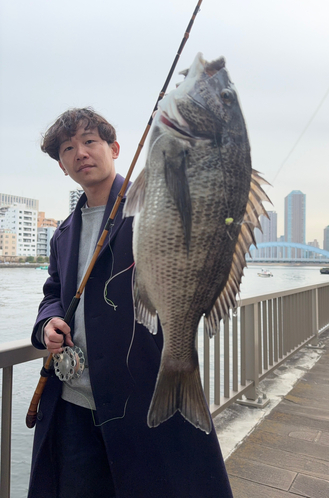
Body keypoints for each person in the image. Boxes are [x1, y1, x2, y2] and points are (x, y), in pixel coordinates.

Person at [28, 108, 233, 498]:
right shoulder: (63, 233)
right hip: (73, 403)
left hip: (140, 395)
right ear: (62, 165)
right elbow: (52, 292)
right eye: (68, 148)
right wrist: (47, 324)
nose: (80, 153)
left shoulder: (156, 208)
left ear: (115, 148)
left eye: (90, 141)